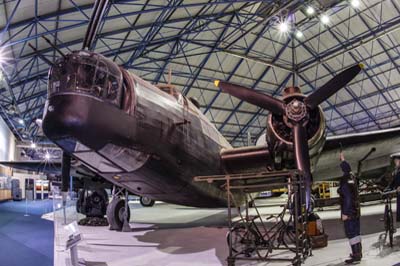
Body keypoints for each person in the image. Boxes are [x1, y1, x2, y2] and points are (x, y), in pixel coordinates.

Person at [338, 152, 362, 264]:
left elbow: (347, 197)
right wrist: (343, 159)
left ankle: (355, 256)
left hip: (349, 213)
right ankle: (358, 253)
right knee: (356, 233)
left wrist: (345, 213)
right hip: (356, 211)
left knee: (351, 234)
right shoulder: (353, 177)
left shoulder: (344, 179)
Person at [387, 154, 400, 222]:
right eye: (395, 161)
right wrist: (388, 189)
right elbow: (393, 182)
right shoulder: (396, 171)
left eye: (396, 161)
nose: (395, 162)